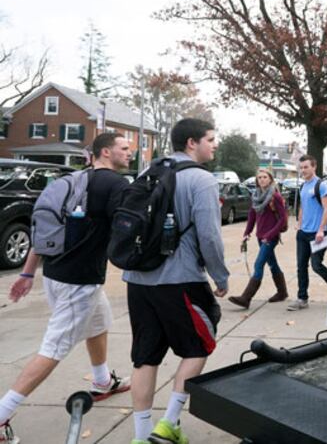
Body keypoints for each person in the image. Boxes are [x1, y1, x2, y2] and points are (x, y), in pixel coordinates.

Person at [0, 133, 133, 443]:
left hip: (56, 274)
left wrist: (28, 273)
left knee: (99, 322)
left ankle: (102, 381)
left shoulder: (73, 180)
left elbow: (45, 227)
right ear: (105, 151)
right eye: (124, 148)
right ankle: (3, 413)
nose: (129, 153)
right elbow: (127, 229)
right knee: (54, 348)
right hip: (78, 280)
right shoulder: (115, 184)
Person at [123, 119, 229, 444]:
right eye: (210, 140)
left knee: (145, 355)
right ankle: (169, 424)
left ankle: (141, 437)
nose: (215, 145)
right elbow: (209, 236)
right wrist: (220, 276)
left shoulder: (147, 173)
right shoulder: (202, 180)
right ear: (192, 143)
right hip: (180, 278)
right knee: (200, 343)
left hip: (138, 280)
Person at [288, 154, 327, 311]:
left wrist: (320, 230)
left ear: (314, 167)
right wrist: (299, 224)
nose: (303, 170)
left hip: (319, 233)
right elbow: (302, 207)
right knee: (301, 267)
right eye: (301, 167)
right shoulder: (303, 186)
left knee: (316, 265)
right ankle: (302, 299)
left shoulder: (322, 185)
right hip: (303, 234)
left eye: (306, 167)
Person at [228, 169, 288, 309]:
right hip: (260, 236)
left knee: (258, 264)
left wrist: (270, 235)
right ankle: (282, 292)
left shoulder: (275, 196)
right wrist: (247, 232)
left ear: (270, 179)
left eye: (264, 177)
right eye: (259, 177)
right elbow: (252, 215)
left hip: (270, 238)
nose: (261, 180)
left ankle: (246, 298)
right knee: (272, 263)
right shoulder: (256, 195)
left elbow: (283, 220)